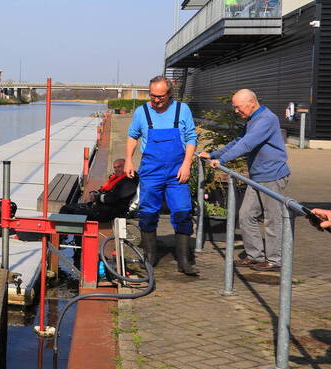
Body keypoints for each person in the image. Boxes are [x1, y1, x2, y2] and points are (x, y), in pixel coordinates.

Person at [200, 89, 290, 272]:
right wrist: (213, 154)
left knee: (272, 219)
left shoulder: (266, 119)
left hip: (272, 175)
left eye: (238, 107)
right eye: (234, 107)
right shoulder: (252, 119)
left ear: (251, 103)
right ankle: (255, 256)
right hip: (257, 176)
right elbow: (238, 141)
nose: (236, 111)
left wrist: (222, 161)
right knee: (246, 215)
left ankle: (274, 260)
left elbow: (247, 144)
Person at [125, 76, 199, 275]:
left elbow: (192, 138)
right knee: (148, 212)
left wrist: (187, 164)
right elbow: (133, 136)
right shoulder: (142, 112)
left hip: (177, 172)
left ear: (169, 94)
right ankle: (150, 255)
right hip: (151, 171)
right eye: (152, 96)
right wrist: (129, 160)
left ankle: (184, 260)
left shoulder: (182, 110)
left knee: (183, 212)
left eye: (160, 96)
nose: (155, 100)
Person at [60, 158, 139, 223]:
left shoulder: (130, 179)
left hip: (111, 212)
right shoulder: (118, 177)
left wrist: (97, 197)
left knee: (71, 210)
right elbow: (106, 189)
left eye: (119, 167)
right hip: (102, 208)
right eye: (115, 167)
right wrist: (95, 192)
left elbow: (115, 197)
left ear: (126, 166)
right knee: (67, 208)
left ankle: (64, 237)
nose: (116, 169)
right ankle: (65, 236)